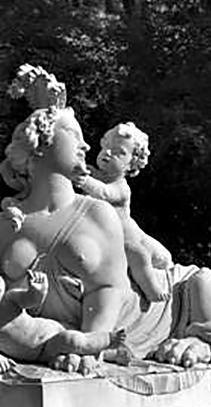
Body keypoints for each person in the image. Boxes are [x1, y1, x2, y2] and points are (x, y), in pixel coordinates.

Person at [0, 65, 211, 373]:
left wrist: (88, 345)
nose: (86, 146)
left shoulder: (97, 212)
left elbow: (106, 290)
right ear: (40, 144)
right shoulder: (4, 225)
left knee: (201, 282)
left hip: (159, 311)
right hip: (63, 340)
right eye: (74, 136)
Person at [0, 252, 127, 375]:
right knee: (74, 343)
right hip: (43, 348)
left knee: (77, 342)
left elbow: (31, 299)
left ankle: (108, 340)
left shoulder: (9, 298)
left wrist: (38, 290)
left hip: (50, 332)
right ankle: (110, 351)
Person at [73, 121, 174, 302]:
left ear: (131, 164)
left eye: (120, 152)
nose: (109, 153)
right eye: (107, 147)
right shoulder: (92, 172)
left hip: (124, 235)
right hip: (100, 232)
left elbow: (104, 193)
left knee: (139, 254)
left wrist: (83, 181)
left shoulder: (121, 187)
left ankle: (150, 287)